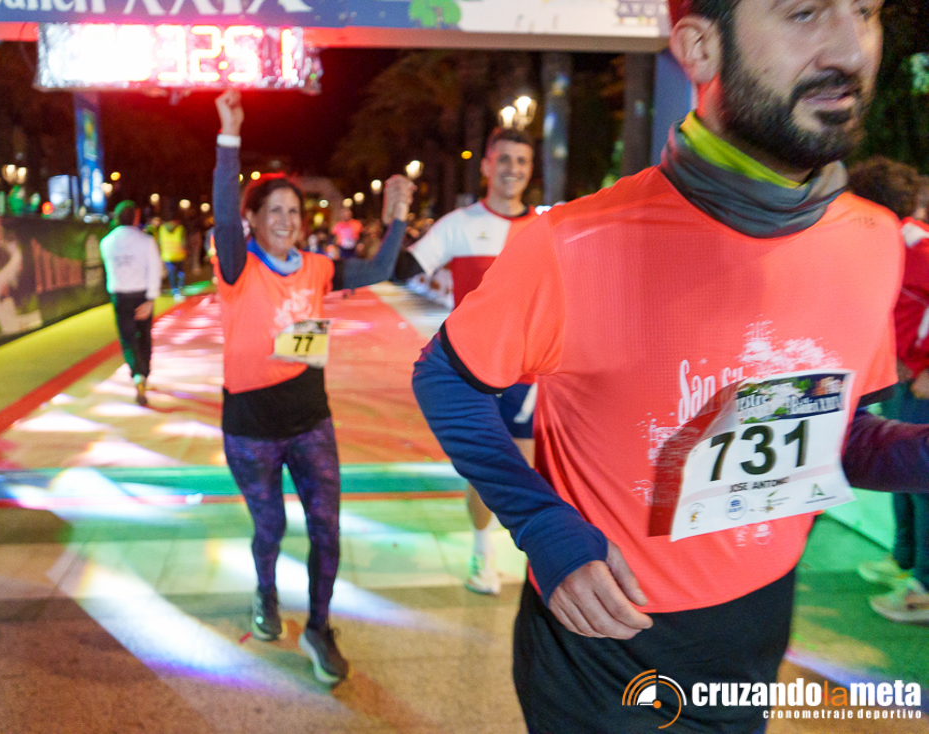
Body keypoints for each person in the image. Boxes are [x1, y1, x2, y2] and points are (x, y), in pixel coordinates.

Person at [413, 0, 929, 731]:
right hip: (605, 647)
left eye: (866, 11)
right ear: (699, 47)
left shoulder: (874, 241)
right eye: (805, 12)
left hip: (760, 632)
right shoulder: (575, 243)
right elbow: (443, 378)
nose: (851, 48)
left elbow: (834, 438)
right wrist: (540, 523)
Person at [212, 89, 414, 685]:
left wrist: (399, 216)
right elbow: (222, 212)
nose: (285, 221)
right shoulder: (236, 266)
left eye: (293, 212)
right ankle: (266, 593)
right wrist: (229, 137)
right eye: (273, 211)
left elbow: (379, 270)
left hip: (309, 421)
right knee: (270, 528)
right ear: (252, 220)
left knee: (328, 527)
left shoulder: (318, 268)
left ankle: (320, 627)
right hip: (250, 428)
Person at [394, 126, 538, 595]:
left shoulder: (546, 229)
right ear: (487, 166)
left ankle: (538, 560)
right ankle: (483, 557)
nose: (513, 169)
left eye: (521, 161)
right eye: (504, 159)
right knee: (488, 471)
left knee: (524, 473)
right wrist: (397, 215)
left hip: (529, 375)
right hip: (475, 374)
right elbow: (401, 270)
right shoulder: (459, 224)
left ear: (530, 170)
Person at [848, 159, 929, 623]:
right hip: (902, 376)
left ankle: (924, 586)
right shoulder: (884, 241)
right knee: (900, 474)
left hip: (920, 380)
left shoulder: (916, 243)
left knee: (922, 480)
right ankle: (904, 561)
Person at [100, 200, 161, 407]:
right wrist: (151, 298)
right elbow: (154, 269)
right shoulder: (146, 241)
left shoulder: (107, 242)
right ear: (135, 217)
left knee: (127, 339)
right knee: (143, 336)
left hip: (120, 295)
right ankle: (143, 373)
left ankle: (136, 373)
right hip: (141, 294)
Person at [157, 209, 188, 299]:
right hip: (179, 255)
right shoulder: (180, 228)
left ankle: (174, 290)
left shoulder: (162, 229)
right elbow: (183, 242)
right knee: (180, 273)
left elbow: (159, 242)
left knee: (171, 274)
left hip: (167, 255)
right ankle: (180, 288)